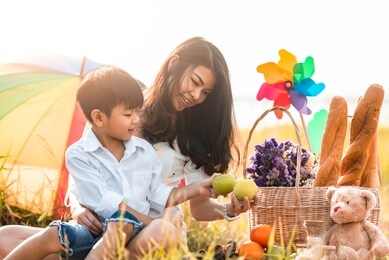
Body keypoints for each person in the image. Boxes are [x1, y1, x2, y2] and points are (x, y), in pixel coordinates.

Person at [0, 37, 259, 259]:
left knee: (160, 232)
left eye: (205, 92)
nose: (196, 95)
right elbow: (79, 181)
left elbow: (198, 208)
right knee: (6, 238)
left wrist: (228, 210)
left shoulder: (192, 135)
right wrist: (80, 209)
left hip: (152, 232)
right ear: (174, 64)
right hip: (100, 227)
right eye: (194, 81)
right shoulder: (113, 102)